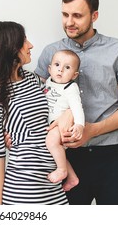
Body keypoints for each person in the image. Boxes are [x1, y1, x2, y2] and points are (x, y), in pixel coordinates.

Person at [35, 0, 118, 205]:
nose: (69, 22)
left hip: (112, 156)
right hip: (65, 159)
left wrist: (91, 130)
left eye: (77, 15)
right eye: (65, 15)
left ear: (94, 16)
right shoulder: (50, 53)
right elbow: (33, 101)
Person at [0, 21, 68, 205]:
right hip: (24, 191)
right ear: (9, 48)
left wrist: (67, 116)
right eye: (24, 41)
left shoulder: (33, 80)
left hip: (54, 187)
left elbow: (59, 106)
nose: (30, 45)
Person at [44, 49, 84, 192]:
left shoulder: (70, 88)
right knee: (56, 149)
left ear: (74, 75)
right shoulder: (48, 81)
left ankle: (62, 170)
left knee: (51, 142)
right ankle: (73, 178)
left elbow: (77, 108)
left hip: (62, 126)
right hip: (51, 125)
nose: (60, 69)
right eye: (57, 65)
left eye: (67, 67)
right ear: (49, 69)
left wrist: (79, 125)